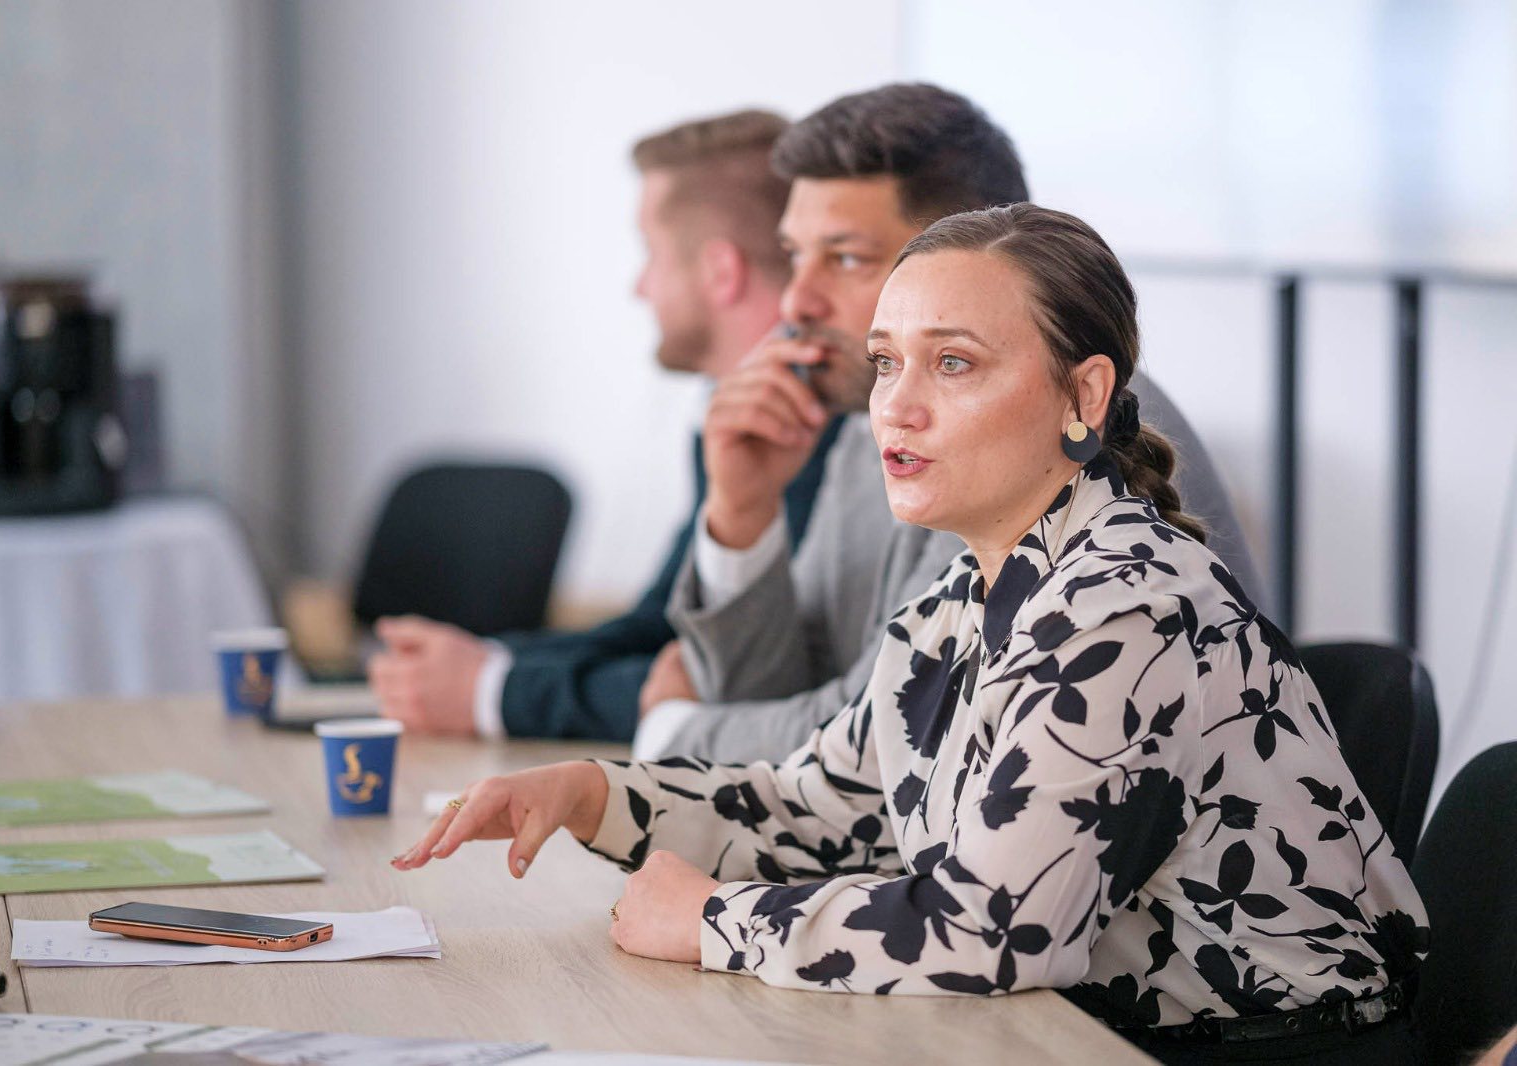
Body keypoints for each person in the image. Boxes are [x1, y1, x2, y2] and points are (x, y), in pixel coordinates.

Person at [394, 204, 1428, 1065]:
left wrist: (714, 920)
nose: (899, 406)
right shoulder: (961, 595)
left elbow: (990, 934)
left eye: (954, 364)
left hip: (1267, 1049)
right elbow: (825, 809)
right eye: (886, 364)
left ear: (1084, 395)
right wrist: (592, 792)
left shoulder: (1127, 604)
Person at [635, 83, 1268, 763]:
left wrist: (673, 734)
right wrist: (744, 513)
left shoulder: (1052, 422)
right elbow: (804, 690)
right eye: (795, 255)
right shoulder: (879, 413)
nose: (796, 299)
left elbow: (896, 752)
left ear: (976, 251)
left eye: (845, 258)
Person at [367, 110, 844, 742]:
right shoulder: (738, 413)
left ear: (720, 272)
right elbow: (660, 630)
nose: (639, 287)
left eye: (650, 253)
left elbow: (727, 686)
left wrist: (492, 693)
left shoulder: (829, 432)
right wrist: (487, 666)